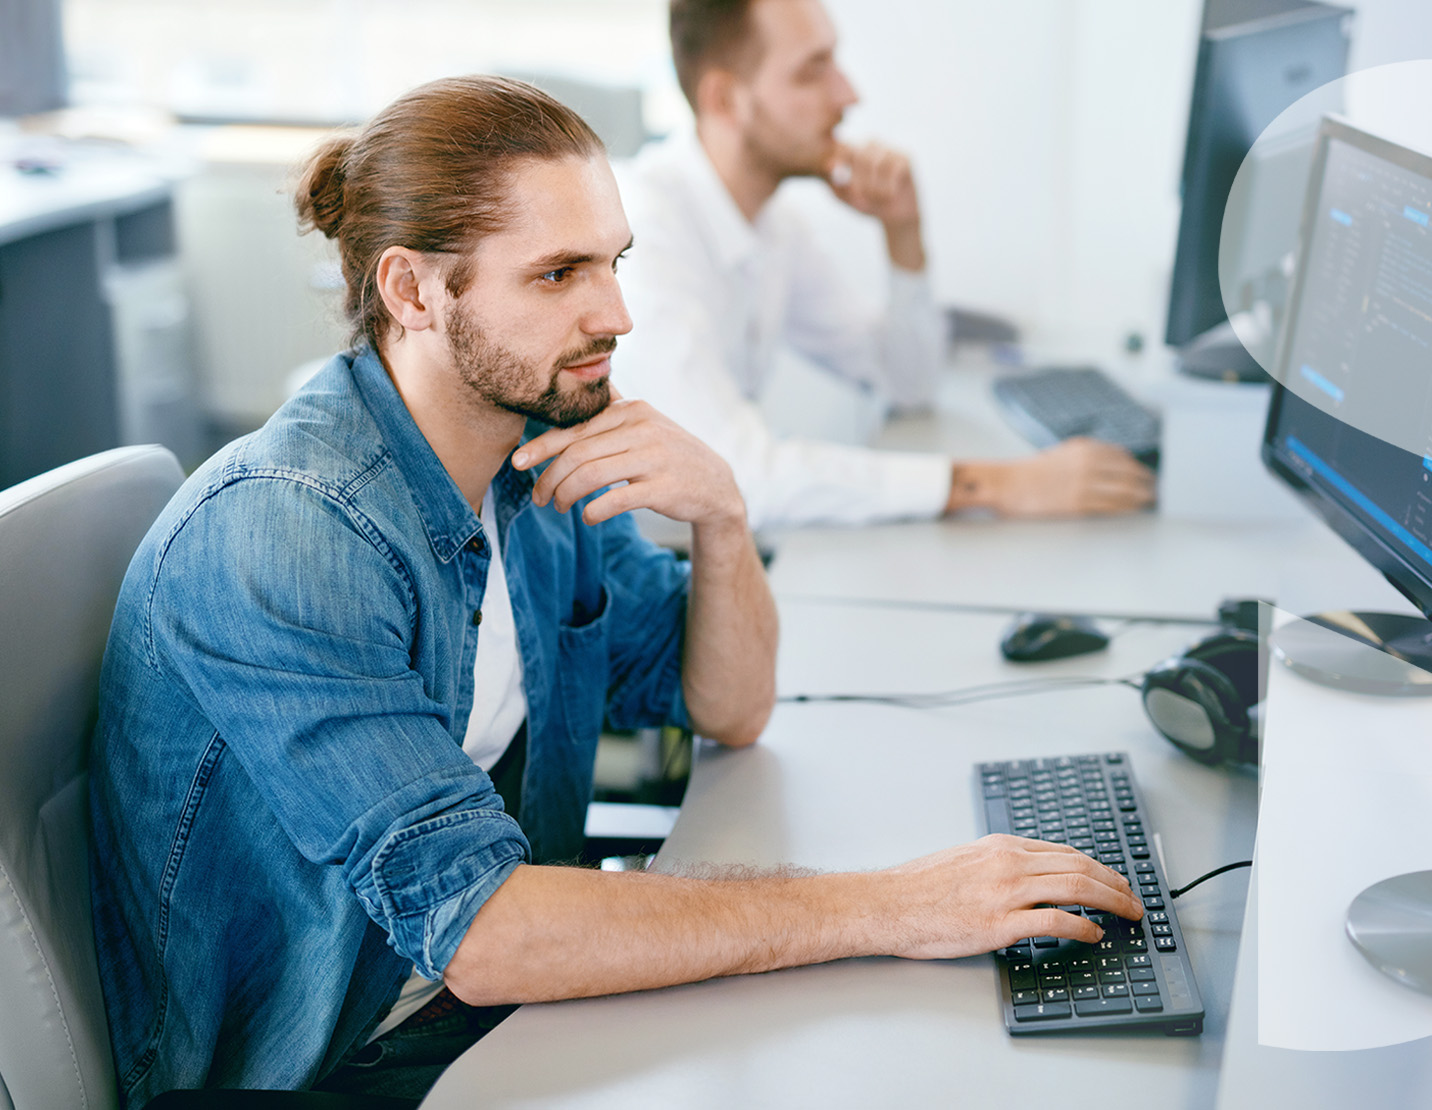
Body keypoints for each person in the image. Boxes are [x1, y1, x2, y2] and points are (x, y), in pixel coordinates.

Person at [88, 76, 1142, 1105]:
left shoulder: (536, 454)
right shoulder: (290, 533)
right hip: (337, 1063)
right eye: (559, 275)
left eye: (615, 262)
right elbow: (488, 936)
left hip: (484, 1008)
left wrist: (721, 520)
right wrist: (896, 905)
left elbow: (727, 703)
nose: (617, 313)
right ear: (413, 291)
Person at [610, 0, 1156, 529]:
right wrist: (996, 485)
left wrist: (904, 233)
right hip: (635, 581)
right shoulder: (642, 238)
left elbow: (906, 380)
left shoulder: (774, 227)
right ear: (725, 99)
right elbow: (730, 474)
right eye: (812, 71)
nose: (848, 95)